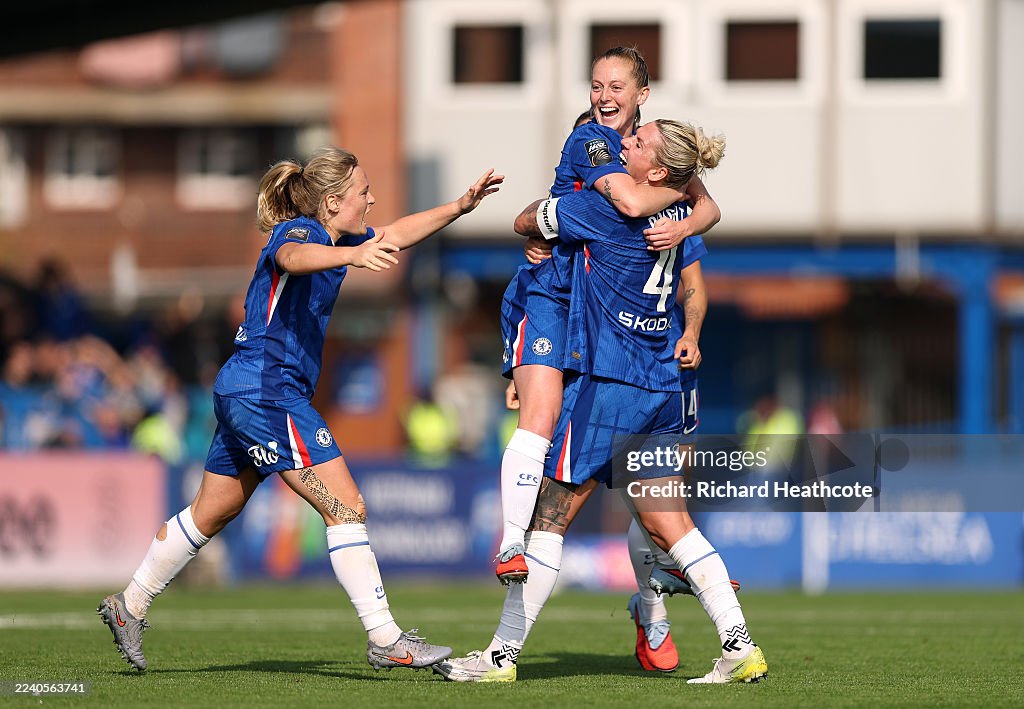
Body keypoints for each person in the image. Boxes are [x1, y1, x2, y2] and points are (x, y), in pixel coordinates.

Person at [97, 146, 503, 672]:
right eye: (363, 192)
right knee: (346, 506)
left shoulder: (339, 237)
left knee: (211, 512)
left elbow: (395, 234)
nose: (372, 199)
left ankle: (129, 605)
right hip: (268, 394)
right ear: (333, 202)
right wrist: (351, 257)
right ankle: (386, 639)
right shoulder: (303, 233)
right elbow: (290, 259)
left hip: (248, 392)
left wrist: (459, 206)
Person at [438, 119, 768, 685]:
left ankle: (499, 656)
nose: (626, 144)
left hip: (611, 384)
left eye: (638, 144)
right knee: (671, 525)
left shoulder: (604, 211)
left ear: (657, 170)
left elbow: (523, 222)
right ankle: (741, 646)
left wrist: (562, 198)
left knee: (549, 515)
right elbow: (699, 225)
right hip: (663, 383)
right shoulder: (678, 215)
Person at [495, 46, 721, 587]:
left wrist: (690, 327)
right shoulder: (607, 151)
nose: (603, 97)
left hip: (651, 355)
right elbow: (614, 204)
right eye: (596, 85)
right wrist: (541, 229)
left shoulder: (663, 164)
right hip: (580, 329)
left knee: (654, 498)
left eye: (616, 87)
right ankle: (513, 564)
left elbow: (708, 217)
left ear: (642, 96)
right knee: (565, 480)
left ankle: (654, 608)